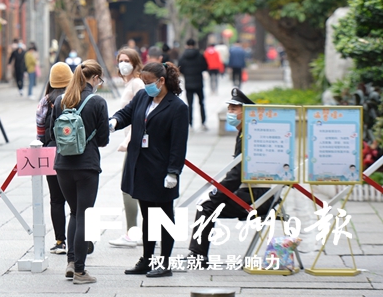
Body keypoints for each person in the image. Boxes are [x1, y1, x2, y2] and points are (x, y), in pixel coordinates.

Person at [109, 62, 189, 278]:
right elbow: (127, 113)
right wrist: (114, 121)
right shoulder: (143, 97)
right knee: (148, 216)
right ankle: (147, 259)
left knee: (164, 217)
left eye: (148, 82)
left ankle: (164, 263)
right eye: (143, 82)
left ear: (161, 81)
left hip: (162, 170)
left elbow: (178, 143)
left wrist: (173, 171)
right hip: (141, 166)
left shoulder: (177, 107)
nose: (145, 86)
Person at [185, 88, 274, 267]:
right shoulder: (246, 132)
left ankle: (198, 256)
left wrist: (217, 193)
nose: (230, 113)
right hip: (254, 191)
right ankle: (197, 254)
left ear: (246, 112)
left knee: (207, 206)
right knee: (208, 203)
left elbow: (237, 174)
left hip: (258, 195)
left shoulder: (249, 136)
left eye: (234, 109)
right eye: (229, 109)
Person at [50, 59, 109, 284]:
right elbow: (103, 139)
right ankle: (80, 272)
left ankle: (71, 262)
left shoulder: (60, 100)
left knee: (74, 212)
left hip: (63, 166)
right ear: (94, 79)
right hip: (87, 166)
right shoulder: (97, 102)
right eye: (99, 80)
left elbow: (54, 134)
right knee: (85, 214)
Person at [36, 62, 74, 255]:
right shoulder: (76, 98)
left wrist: (44, 143)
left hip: (52, 153)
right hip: (75, 153)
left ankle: (60, 241)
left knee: (56, 199)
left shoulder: (46, 101)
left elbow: (40, 129)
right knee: (80, 200)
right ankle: (85, 239)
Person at [109, 48, 145, 248]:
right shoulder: (130, 83)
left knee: (128, 188)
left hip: (135, 143)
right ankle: (142, 232)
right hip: (133, 142)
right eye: (120, 60)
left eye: (127, 60)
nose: (123, 64)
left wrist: (128, 140)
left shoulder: (137, 83)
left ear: (135, 62)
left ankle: (133, 233)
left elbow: (141, 115)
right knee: (134, 188)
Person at [178, 39, 209, 131]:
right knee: (201, 103)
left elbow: (180, 68)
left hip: (188, 83)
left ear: (186, 45)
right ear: (195, 45)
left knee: (189, 104)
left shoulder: (183, 56)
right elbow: (205, 66)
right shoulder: (200, 55)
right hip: (199, 82)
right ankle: (203, 122)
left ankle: (190, 123)